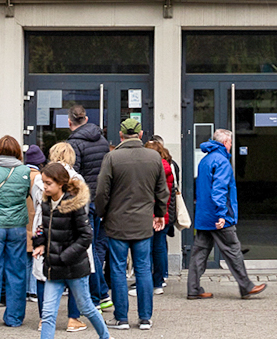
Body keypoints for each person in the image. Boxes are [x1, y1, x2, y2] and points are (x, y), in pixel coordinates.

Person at [93, 117, 167, 330]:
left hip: (117, 222)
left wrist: (101, 213)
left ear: (121, 135)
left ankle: (121, 318)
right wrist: (159, 213)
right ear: (141, 134)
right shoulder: (154, 157)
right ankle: (145, 318)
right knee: (143, 268)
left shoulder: (112, 157)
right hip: (143, 222)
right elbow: (162, 190)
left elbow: (102, 191)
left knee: (117, 269)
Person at [186, 130, 263, 301]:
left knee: (199, 253)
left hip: (204, 215)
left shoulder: (205, 160)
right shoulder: (222, 162)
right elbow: (219, 190)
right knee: (233, 250)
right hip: (219, 217)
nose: (231, 145)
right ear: (225, 142)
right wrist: (222, 214)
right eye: (230, 142)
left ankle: (193, 289)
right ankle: (247, 286)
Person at [33, 163, 108, 339]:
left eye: (49, 183)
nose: (45, 187)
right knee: (48, 314)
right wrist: (40, 244)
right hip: (53, 268)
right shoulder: (46, 203)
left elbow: (86, 236)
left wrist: (65, 256)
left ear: (61, 184)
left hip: (74, 268)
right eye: (43, 182)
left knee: (86, 307)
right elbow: (44, 228)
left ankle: (105, 336)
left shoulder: (74, 204)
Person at [0, 136, 34, 329]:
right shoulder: (25, 171)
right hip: (18, 226)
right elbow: (26, 194)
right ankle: (14, 318)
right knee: (17, 273)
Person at [65, 106, 113, 315]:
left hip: (85, 201)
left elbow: (74, 175)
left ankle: (99, 294)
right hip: (101, 201)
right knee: (98, 247)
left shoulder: (73, 144)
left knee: (88, 249)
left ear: (69, 122)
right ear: (85, 119)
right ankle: (100, 294)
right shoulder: (102, 140)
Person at [39, 142, 83, 332]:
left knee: (43, 275)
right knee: (74, 276)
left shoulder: (41, 178)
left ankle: (44, 319)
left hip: (46, 228)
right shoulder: (77, 179)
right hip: (70, 234)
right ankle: (73, 318)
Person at [145, 139, 176, 296]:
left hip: (150, 213)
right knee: (159, 248)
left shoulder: (151, 169)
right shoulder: (167, 167)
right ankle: (159, 282)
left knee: (146, 250)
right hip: (163, 213)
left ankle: (145, 283)